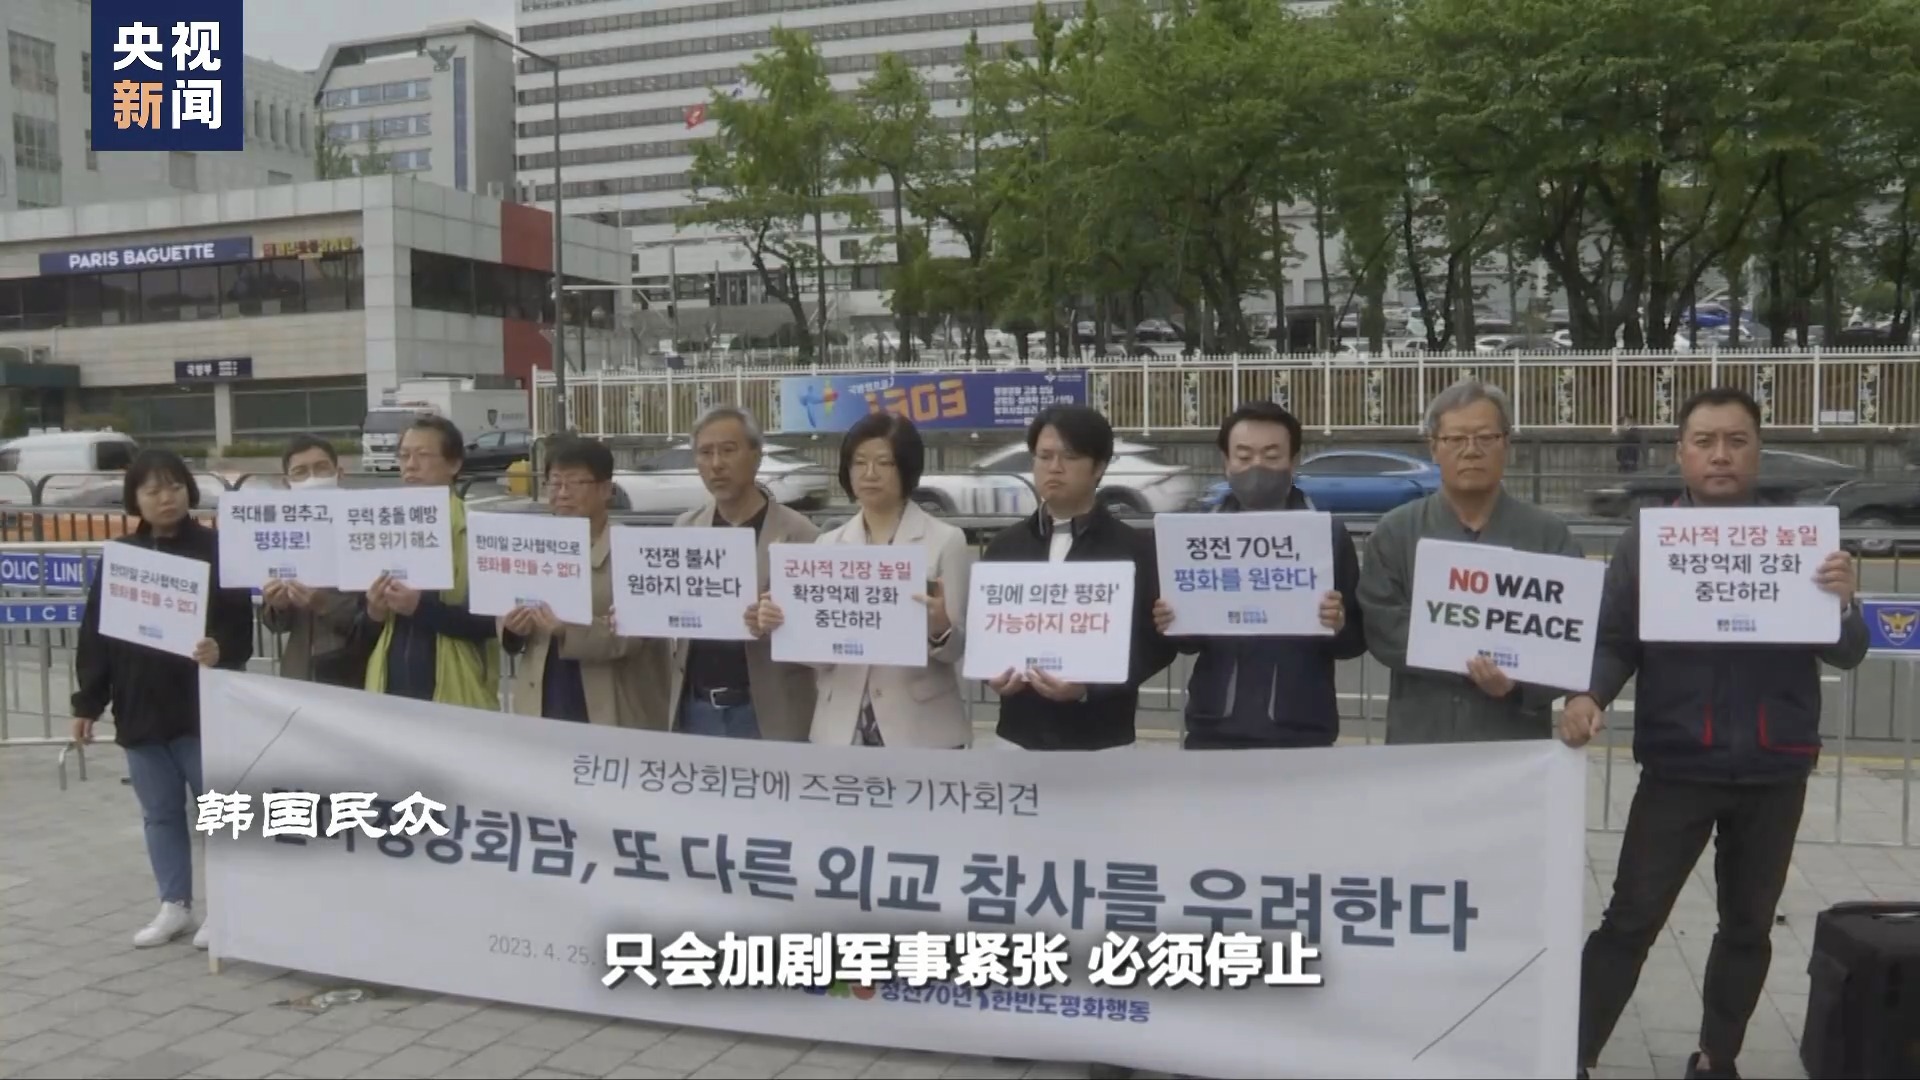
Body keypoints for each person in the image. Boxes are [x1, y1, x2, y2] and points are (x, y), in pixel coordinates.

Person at [1561, 387, 1868, 1080]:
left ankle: (1716, 1056)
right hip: (1678, 764)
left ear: (1759, 450)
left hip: (1775, 765)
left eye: (1736, 441)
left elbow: (1849, 652)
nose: (1720, 455)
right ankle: (1571, 1052)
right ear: (1681, 453)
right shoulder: (1649, 539)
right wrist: (1588, 694)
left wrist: (1846, 602)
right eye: (1705, 442)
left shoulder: (1802, 541)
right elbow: (1616, 639)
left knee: (1748, 926)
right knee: (1631, 919)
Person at [70, 449, 256, 950]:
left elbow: (241, 629)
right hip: (140, 707)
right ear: (135, 499)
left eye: (173, 486)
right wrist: (87, 704)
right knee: (160, 813)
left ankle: (226, 907)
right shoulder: (121, 557)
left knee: (217, 813)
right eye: (152, 490)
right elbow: (96, 637)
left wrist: (220, 649)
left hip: (200, 706)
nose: (165, 498)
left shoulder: (217, 549)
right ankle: (175, 904)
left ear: (188, 491)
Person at [1357, 378, 1586, 743]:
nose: (1471, 451)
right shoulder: (1396, 532)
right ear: (1434, 447)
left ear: (1506, 444)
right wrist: (1469, 661)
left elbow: (1572, 641)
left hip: (1513, 742)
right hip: (1421, 740)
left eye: (1485, 438)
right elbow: (1384, 626)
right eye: (1456, 439)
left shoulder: (1549, 536)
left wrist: (1515, 683)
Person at [754, 412, 975, 749]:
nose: (869, 474)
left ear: (906, 468)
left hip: (920, 727)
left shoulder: (946, 540)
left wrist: (939, 628)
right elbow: (820, 657)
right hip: (841, 726)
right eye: (859, 462)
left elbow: (956, 651)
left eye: (884, 463)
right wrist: (784, 625)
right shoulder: (828, 544)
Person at [1154, 402, 1365, 749]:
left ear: (1293, 461)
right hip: (1213, 730)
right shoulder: (1198, 538)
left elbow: (1355, 640)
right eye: (1244, 455)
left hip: (1303, 732)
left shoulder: (1326, 535)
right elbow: (1188, 643)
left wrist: (1338, 624)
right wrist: (1173, 621)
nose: (1257, 466)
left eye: (1271, 455)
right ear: (1226, 462)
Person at [979, 403, 1176, 751]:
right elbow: (986, 632)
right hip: (1018, 737)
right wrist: (991, 674)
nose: (1054, 467)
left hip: (1103, 740)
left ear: (1098, 467)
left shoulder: (1134, 549)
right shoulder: (1004, 547)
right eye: (1044, 456)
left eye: (1069, 457)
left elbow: (1156, 646)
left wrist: (1090, 687)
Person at [667, 405, 819, 740]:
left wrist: (780, 621)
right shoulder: (685, 528)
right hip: (696, 709)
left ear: (756, 456)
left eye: (728, 450)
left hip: (768, 713)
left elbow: (820, 630)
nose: (716, 464)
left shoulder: (801, 534)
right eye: (705, 453)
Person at [501, 436, 671, 728]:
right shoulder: (533, 546)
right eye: (555, 483)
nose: (562, 493)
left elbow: (637, 635)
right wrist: (513, 629)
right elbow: (507, 615)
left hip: (612, 704)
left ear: (606, 489)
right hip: (543, 699)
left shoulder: (634, 550)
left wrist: (567, 630)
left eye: (575, 483)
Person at [361, 415, 500, 709]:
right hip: (389, 688)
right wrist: (374, 611)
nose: (410, 465)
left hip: (458, 691)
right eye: (404, 456)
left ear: (454, 464)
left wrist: (420, 607)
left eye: (422, 455)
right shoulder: (381, 525)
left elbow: (492, 622)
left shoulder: (478, 529)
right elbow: (364, 628)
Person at [259, 434, 364, 687]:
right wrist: (278, 606)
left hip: (356, 670)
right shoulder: (280, 535)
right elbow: (275, 624)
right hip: (301, 671)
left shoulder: (363, 527)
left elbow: (374, 614)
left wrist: (323, 603)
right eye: (300, 472)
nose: (312, 478)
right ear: (287, 483)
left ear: (339, 473)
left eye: (321, 468)